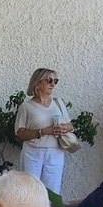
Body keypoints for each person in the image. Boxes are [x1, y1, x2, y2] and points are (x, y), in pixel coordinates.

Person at [14, 67, 78, 195]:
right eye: (49, 80)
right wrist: (42, 132)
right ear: (37, 83)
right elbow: (19, 133)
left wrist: (65, 128)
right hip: (33, 152)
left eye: (55, 81)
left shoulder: (59, 103)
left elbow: (70, 125)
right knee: (30, 190)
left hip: (55, 151)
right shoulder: (26, 106)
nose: (53, 84)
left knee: (52, 191)